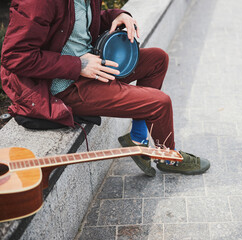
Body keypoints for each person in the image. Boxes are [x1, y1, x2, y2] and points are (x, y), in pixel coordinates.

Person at [1, 0, 210, 176]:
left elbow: (78, 23)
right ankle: (168, 159)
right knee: (159, 103)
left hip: (93, 66)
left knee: (157, 59)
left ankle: (137, 138)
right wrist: (78, 65)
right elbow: (14, 56)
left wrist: (118, 16)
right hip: (63, 87)